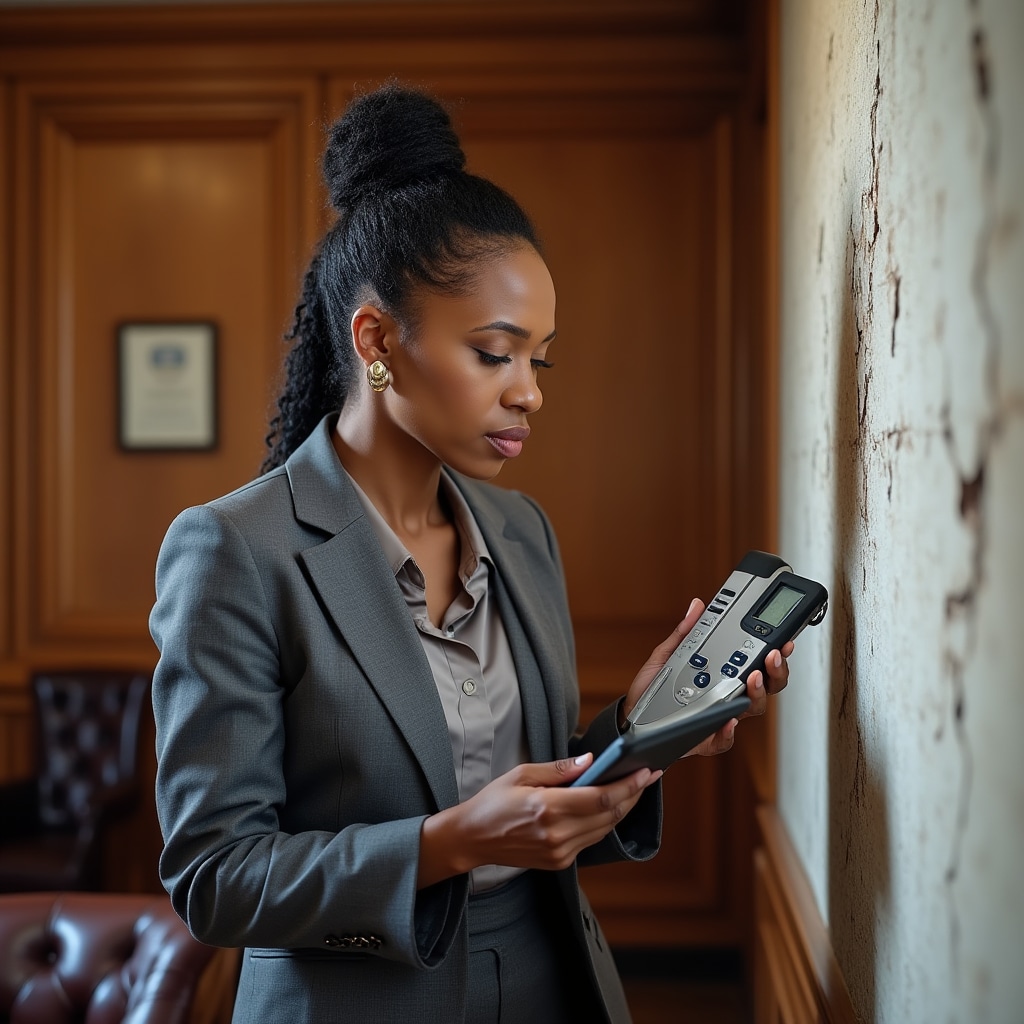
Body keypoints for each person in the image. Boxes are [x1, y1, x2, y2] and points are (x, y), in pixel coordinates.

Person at [150, 83, 793, 1024]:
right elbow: (214, 877)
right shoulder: (235, 550)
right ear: (376, 341)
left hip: (547, 982)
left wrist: (644, 726)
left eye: (542, 358)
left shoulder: (522, 532)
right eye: (496, 354)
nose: (529, 392)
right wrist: (446, 844)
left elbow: (528, 791)